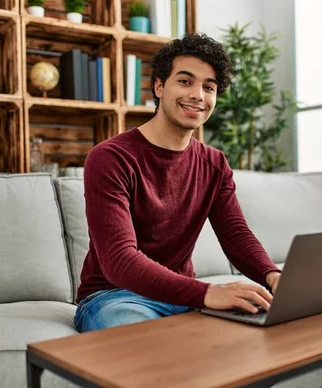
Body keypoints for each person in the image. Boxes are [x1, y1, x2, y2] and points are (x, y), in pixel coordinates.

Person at [74, 33, 282, 333]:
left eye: (208, 87)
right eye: (185, 81)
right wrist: (207, 293)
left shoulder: (214, 163)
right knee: (152, 351)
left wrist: (272, 276)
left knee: (256, 341)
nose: (198, 95)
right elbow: (119, 260)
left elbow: (236, 235)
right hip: (115, 298)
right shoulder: (109, 157)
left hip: (185, 297)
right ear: (159, 86)